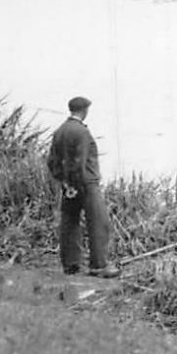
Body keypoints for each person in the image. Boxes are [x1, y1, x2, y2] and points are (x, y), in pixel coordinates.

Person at [47, 96, 118, 278]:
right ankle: (99, 265)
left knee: (70, 222)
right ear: (84, 111)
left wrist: (64, 181)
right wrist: (75, 183)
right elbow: (80, 161)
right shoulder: (82, 132)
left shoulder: (60, 131)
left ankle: (71, 265)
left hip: (68, 184)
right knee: (98, 222)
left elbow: (52, 161)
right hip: (86, 184)